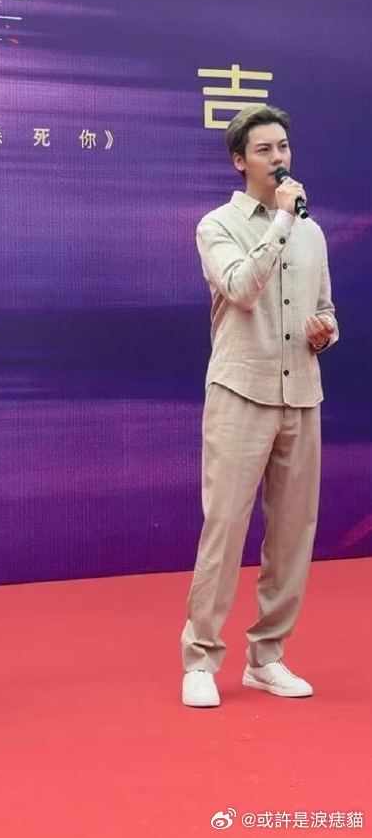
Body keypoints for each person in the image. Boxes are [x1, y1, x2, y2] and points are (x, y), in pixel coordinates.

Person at [181, 105, 338, 708]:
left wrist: (325, 331)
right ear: (239, 161)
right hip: (240, 391)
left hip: (301, 394)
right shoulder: (217, 225)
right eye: (265, 150)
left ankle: (267, 656)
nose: (279, 158)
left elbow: (324, 309)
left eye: (284, 147)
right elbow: (241, 289)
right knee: (224, 527)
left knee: (294, 533)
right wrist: (280, 222)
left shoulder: (313, 232)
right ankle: (200, 657)